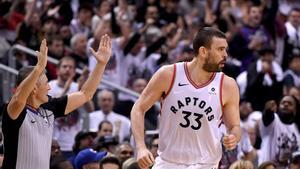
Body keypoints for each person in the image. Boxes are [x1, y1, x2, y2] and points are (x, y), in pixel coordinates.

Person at [131, 27, 241, 168]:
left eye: (225, 49)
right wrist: (140, 147)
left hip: (206, 164)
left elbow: (234, 126)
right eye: (220, 49)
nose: (225, 54)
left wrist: (233, 137)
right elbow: (138, 109)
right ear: (203, 51)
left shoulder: (228, 84)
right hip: (169, 162)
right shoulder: (169, 74)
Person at [1, 34, 111, 169]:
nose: (49, 87)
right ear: (34, 88)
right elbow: (19, 99)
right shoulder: (13, 111)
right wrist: (38, 69)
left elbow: (85, 94)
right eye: (46, 83)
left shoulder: (50, 107)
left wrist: (101, 65)